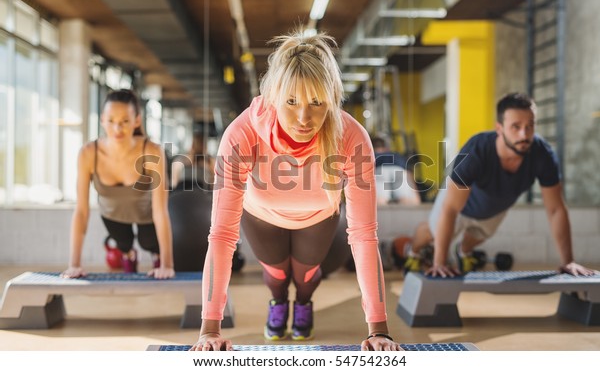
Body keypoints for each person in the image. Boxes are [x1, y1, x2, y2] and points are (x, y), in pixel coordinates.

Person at [190, 30, 401, 351]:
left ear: (330, 98)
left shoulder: (351, 137)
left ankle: (303, 303)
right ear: (274, 94)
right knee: (276, 276)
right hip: (261, 215)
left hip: (318, 216)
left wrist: (379, 330)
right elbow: (221, 235)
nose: (304, 118)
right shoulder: (242, 133)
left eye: (316, 102)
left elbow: (363, 235)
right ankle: (278, 302)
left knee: (304, 278)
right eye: (291, 101)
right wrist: (209, 329)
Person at [403, 92, 595, 278]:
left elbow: (556, 210)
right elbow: (451, 209)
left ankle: (463, 251)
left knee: (477, 236)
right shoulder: (475, 150)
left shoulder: (542, 154)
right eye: (516, 127)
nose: (524, 134)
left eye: (530, 126)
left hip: (493, 208)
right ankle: (414, 252)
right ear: (499, 128)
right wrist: (440, 264)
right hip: (458, 205)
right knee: (432, 233)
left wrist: (569, 261)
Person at [61, 89, 175, 280]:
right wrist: (74, 265)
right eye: (111, 120)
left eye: (124, 121)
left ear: (136, 121)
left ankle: (155, 256)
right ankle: (129, 256)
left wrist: (167, 264)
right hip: (112, 214)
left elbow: (160, 210)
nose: (117, 128)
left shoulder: (152, 151)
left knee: (148, 242)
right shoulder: (89, 153)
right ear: (102, 120)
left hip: (146, 214)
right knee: (124, 243)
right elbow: (81, 211)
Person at [371, 135, 421, 206]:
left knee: (379, 203)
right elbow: (408, 174)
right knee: (407, 202)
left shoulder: (372, 155)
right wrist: (417, 197)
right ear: (386, 148)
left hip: (379, 170)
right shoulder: (397, 155)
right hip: (399, 170)